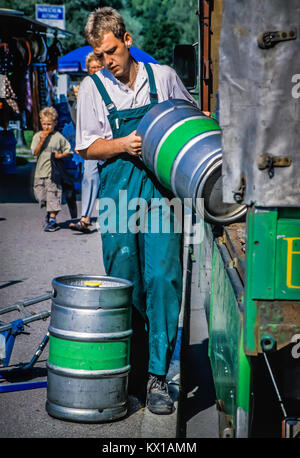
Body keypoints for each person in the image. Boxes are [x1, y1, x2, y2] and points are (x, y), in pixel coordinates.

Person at [76, 7, 197, 415]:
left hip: (163, 192)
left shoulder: (161, 76)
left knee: (164, 278)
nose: (107, 61)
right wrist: (122, 145)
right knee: (124, 282)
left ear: (127, 41)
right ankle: (130, 373)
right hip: (116, 194)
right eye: (100, 54)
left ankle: (158, 376)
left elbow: (189, 120)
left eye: (112, 51)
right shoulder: (93, 88)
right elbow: (86, 147)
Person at [69, 52, 102, 233]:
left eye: (98, 67)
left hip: (112, 140)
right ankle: (85, 218)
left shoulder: (112, 86)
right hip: (91, 141)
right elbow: (77, 119)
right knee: (89, 176)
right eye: (92, 68)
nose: (95, 70)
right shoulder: (82, 89)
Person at [31, 106, 73, 231]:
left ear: (55, 123)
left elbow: (69, 150)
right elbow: (34, 152)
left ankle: (52, 221)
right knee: (41, 197)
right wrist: (41, 141)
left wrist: (60, 155)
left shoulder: (58, 137)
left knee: (53, 196)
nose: (46, 127)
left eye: (49, 124)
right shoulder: (38, 136)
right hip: (40, 173)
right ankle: (49, 214)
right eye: (44, 124)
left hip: (54, 173)